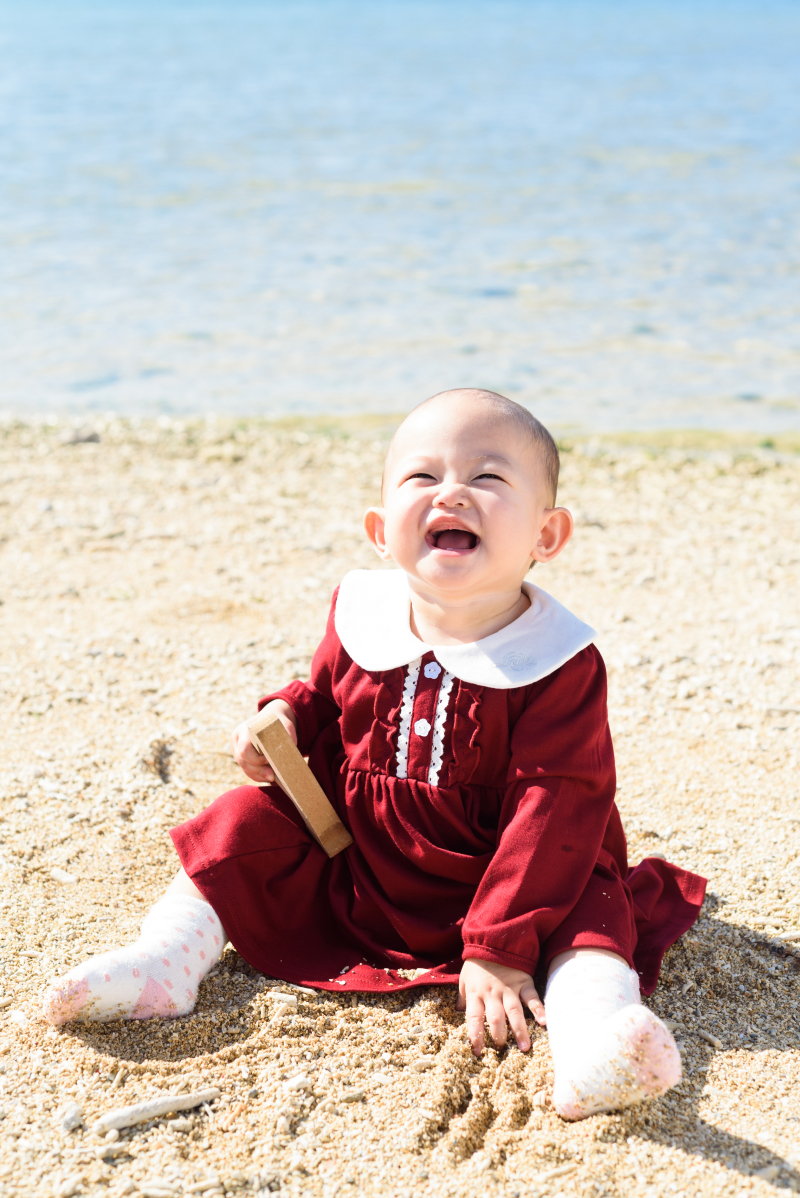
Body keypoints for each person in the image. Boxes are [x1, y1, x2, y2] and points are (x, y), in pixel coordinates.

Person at [42, 389, 705, 1120]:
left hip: (515, 874)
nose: (451, 491)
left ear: (546, 534)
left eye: (488, 477)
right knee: (238, 824)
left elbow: (559, 807)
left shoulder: (556, 661)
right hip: (362, 855)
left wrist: (501, 945)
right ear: (381, 530)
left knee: (593, 912)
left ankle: (592, 1043)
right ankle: (165, 961)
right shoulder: (364, 614)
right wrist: (285, 717)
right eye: (423, 476)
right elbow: (327, 696)